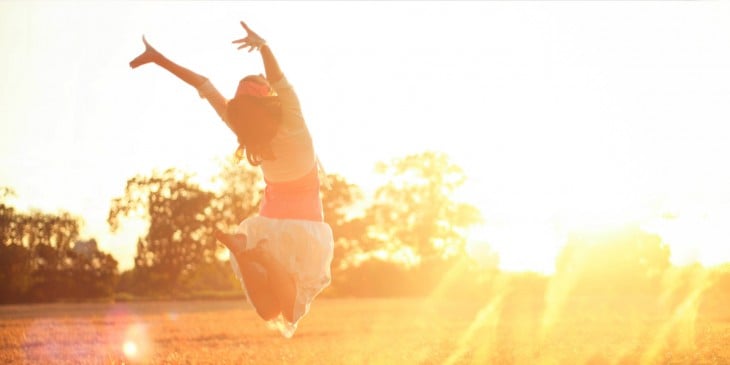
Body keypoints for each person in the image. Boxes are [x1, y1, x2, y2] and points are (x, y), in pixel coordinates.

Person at [129, 21, 333, 338]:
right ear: (269, 97)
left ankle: (244, 249)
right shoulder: (292, 119)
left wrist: (160, 59)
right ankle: (259, 253)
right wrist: (263, 47)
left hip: (269, 220)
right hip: (304, 223)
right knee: (292, 309)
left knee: (268, 311)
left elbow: (205, 85)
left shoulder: (244, 130)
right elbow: (280, 79)